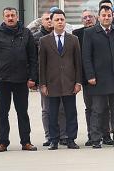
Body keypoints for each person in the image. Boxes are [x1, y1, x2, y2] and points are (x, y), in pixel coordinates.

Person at [82, 4, 114, 148]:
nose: (107, 18)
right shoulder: (90, 33)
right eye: (104, 15)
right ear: (99, 17)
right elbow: (86, 57)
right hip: (98, 80)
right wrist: (90, 75)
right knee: (97, 111)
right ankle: (96, 139)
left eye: (109, 15)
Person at [0, 7, 38, 152]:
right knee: (3, 112)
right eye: (7, 15)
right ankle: (2, 143)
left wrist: (32, 77)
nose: (10, 18)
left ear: (17, 17)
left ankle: (26, 142)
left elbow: (33, 57)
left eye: (13, 15)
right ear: (3, 18)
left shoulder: (26, 33)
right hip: (2, 80)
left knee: (22, 112)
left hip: (21, 80)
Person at [37, 8, 81, 150]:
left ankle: (71, 139)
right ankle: (54, 140)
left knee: (70, 113)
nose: (60, 22)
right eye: (57, 19)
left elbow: (77, 63)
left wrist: (78, 82)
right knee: (52, 113)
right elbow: (41, 64)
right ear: (52, 22)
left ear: (65, 21)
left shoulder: (74, 39)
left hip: (69, 83)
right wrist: (42, 84)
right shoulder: (44, 41)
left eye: (62, 19)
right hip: (52, 83)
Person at [32, 10, 67, 146]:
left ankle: (63, 135)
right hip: (45, 79)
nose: (48, 21)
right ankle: (49, 136)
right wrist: (35, 79)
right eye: (46, 19)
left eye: (50, 18)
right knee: (47, 109)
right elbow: (34, 60)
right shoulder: (36, 38)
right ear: (43, 21)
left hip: (62, 78)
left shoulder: (65, 36)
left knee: (62, 108)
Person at [73, 9, 107, 144]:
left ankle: (106, 135)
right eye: (85, 17)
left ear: (96, 18)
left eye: (90, 17)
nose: (88, 19)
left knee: (105, 107)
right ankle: (92, 135)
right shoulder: (77, 34)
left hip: (104, 77)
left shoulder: (103, 31)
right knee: (90, 108)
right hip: (87, 78)